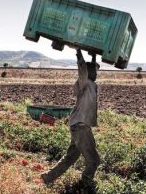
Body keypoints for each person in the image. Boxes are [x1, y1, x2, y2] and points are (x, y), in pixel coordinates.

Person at [41, 48, 100, 187]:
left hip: (78, 126)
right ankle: (85, 184)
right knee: (94, 160)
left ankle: (48, 177)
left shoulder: (90, 84)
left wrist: (94, 57)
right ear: (89, 72)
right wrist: (79, 52)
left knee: (71, 157)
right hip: (80, 127)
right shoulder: (84, 83)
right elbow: (83, 70)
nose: (97, 73)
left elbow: (89, 69)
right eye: (95, 71)